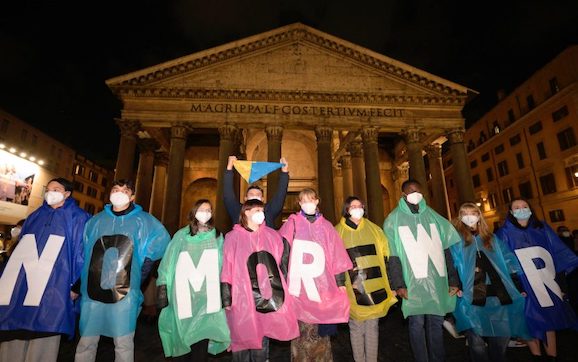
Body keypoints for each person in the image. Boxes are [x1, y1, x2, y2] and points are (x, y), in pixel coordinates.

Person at [75, 179, 171, 362]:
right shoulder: (96, 221)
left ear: (132, 196)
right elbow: (86, 256)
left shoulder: (145, 221)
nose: (119, 193)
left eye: (125, 191)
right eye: (115, 189)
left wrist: (140, 276)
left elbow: (159, 242)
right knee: (86, 341)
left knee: (123, 343)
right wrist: (78, 285)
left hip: (124, 292)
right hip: (93, 291)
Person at [0, 178, 90, 362]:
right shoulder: (35, 216)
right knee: (14, 331)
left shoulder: (80, 218)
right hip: (23, 286)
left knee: (46, 331)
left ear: (67, 193)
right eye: (48, 189)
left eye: (56, 189)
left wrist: (76, 286)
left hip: (56, 287)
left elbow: (83, 253)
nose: (51, 192)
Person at [383, 179, 461, 362]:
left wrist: (453, 280)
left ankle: (437, 358)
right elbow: (392, 256)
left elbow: (446, 250)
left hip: (436, 281)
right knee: (416, 324)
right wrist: (399, 284)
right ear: (403, 195)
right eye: (411, 191)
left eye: (418, 190)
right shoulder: (393, 220)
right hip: (412, 284)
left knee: (435, 322)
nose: (415, 194)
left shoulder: (434, 217)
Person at [496, 198, 578, 361]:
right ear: (511, 213)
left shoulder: (543, 229)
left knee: (550, 320)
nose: (521, 209)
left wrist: (560, 285)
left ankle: (552, 356)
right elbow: (502, 262)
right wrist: (515, 287)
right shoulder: (503, 233)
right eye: (517, 207)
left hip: (546, 284)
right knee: (529, 321)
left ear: (531, 209)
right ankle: (537, 356)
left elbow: (558, 256)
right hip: (523, 286)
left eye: (524, 206)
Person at [279, 188, 352, 362]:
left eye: (311, 199)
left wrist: (340, 282)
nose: (308, 203)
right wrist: (283, 280)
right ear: (299, 203)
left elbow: (337, 255)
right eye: (304, 200)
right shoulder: (292, 224)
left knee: (321, 335)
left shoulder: (326, 226)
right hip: (298, 288)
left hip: (322, 288)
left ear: (317, 201)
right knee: (300, 334)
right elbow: (283, 253)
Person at [450, 202, 529, 362]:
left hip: (498, 296)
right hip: (471, 297)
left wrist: (517, 286)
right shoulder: (456, 241)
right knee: (476, 342)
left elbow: (509, 262)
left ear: (479, 215)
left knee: (500, 341)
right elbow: (452, 264)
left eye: (473, 212)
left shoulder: (492, 239)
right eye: (465, 213)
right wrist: (456, 285)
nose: (469, 217)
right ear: (460, 217)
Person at [221, 199, 299, 361]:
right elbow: (227, 269)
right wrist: (227, 298)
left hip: (265, 298)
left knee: (262, 344)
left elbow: (280, 263)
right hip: (242, 299)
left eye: (262, 210)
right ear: (246, 212)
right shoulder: (233, 237)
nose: (261, 213)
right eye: (256, 210)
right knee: (241, 343)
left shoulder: (271, 235)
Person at [156, 199, 230, 361]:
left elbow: (224, 265)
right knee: (181, 346)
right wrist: (162, 288)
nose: (205, 212)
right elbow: (168, 262)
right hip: (182, 298)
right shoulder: (181, 236)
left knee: (200, 348)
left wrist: (225, 294)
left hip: (207, 301)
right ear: (194, 211)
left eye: (209, 210)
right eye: (202, 209)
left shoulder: (217, 237)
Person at [335, 196, 397, 362]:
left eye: (359, 205)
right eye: (353, 206)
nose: (357, 208)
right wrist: (339, 285)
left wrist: (391, 284)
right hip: (352, 290)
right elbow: (335, 262)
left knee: (373, 327)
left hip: (376, 288)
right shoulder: (337, 232)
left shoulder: (374, 229)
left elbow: (386, 257)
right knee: (356, 328)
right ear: (346, 209)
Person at [224, 155, 289, 227]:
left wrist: (284, 172)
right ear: (245, 198)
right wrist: (229, 168)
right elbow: (228, 195)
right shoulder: (237, 210)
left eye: (258, 194)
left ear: (262, 199)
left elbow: (280, 195)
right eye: (251, 194)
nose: (254, 196)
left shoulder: (269, 211)